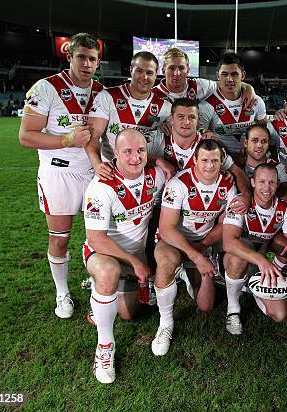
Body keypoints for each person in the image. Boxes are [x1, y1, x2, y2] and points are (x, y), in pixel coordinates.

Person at [18, 33, 103, 319]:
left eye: (92, 59)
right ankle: (62, 291)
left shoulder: (102, 92)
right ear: (69, 56)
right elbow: (26, 136)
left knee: (100, 236)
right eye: (82, 57)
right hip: (58, 173)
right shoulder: (46, 88)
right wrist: (66, 141)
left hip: (93, 174)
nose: (87, 64)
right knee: (60, 238)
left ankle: (96, 280)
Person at [83, 129, 166, 384]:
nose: (134, 157)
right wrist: (136, 263)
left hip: (136, 258)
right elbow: (97, 239)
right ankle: (105, 348)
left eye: (140, 151)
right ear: (115, 153)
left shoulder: (157, 176)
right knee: (108, 273)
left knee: (129, 314)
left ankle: (102, 294)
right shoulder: (100, 186)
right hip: (103, 253)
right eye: (127, 151)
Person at [152, 139, 238, 356]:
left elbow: (224, 225)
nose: (210, 166)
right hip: (174, 242)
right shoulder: (178, 184)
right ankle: (166, 324)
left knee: (206, 305)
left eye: (215, 161)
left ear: (221, 162)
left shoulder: (228, 185)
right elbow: (167, 228)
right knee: (166, 262)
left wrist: (203, 249)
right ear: (195, 161)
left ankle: (189, 272)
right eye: (205, 160)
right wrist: (194, 255)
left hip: (204, 242)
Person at [222, 163, 287, 334]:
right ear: (252, 183)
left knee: (281, 314)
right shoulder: (241, 202)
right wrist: (262, 261)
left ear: (277, 184)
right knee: (238, 258)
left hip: (263, 262)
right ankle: (233, 309)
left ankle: (253, 285)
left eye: (271, 183)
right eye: (261, 182)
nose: (266, 188)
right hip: (239, 259)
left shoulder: (284, 208)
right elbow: (229, 243)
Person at [150, 97, 252, 212]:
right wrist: (158, 161)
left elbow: (237, 171)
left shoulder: (209, 146)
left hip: (197, 209)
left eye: (192, 117)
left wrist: (246, 195)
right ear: (171, 119)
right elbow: (127, 157)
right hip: (160, 207)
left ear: (198, 121)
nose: (186, 122)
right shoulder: (157, 138)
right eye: (181, 117)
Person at [86, 51, 172, 180]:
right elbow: (92, 136)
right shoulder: (108, 97)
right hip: (112, 173)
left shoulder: (165, 107)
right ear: (131, 70)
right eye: (139, 71)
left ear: (156, 75)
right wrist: (97, 164)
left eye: (149, 73)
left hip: (147, 175)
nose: (144, 77)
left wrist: (166, 128)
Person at [198, 52, 267, 157]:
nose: (229, 79)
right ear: (218, 75)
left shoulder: (256, 101)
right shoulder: (206, 105)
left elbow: (264, 129)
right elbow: (203, 139)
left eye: (234, 74)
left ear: (243, 75)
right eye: (224, 74)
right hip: (222, 161)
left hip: (251, 158)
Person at [153, 47, 256, 106]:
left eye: (181, 68)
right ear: (163, 71)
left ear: (188, 70)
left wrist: (248, 87)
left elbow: (225, 83)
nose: (177, 73)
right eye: (171, 68)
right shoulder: (153, 94)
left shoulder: (199, 85)